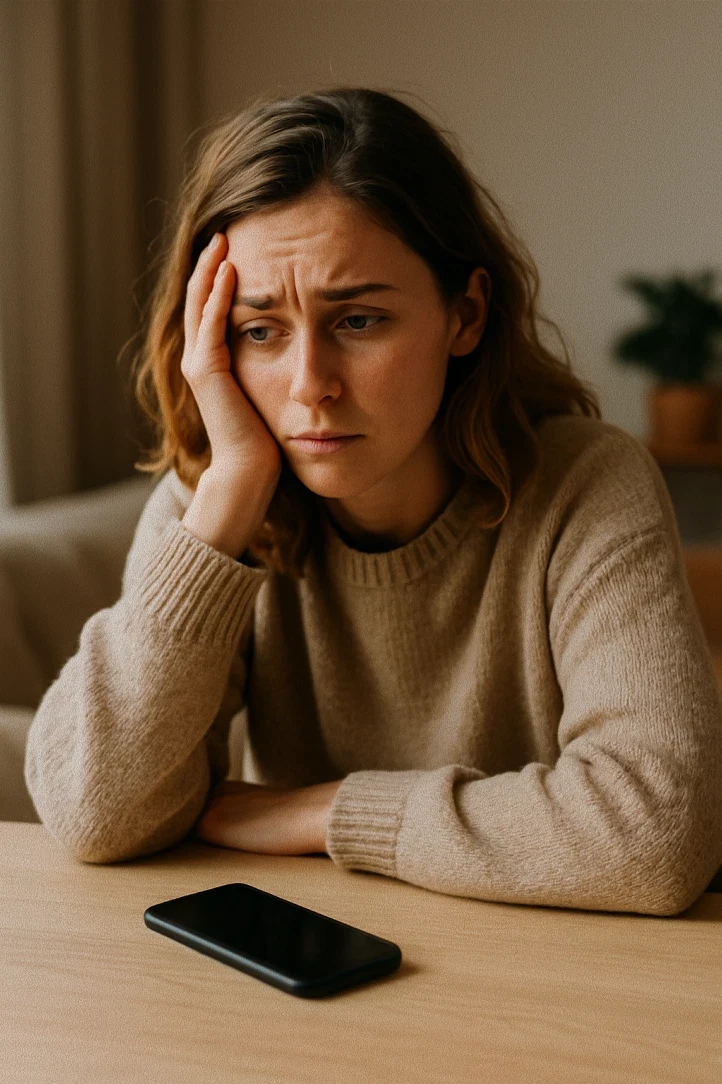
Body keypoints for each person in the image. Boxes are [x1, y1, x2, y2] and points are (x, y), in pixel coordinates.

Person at [24, 87, 722, 916]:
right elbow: (93, 814)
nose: (309, 385)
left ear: (465, 314)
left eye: (357, 320)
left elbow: (659, 835)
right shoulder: (216, 508)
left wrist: (329, 813)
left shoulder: (588, 484)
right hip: (325, 966)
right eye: (259, 331)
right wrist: (223, 507)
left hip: (549, 970)